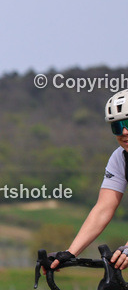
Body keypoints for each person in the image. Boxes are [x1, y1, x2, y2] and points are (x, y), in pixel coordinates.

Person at [51, 89, 128, 271]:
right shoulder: (120, 158)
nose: (124, 132)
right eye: (117, 126)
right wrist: (70, 253)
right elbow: (103, 208)